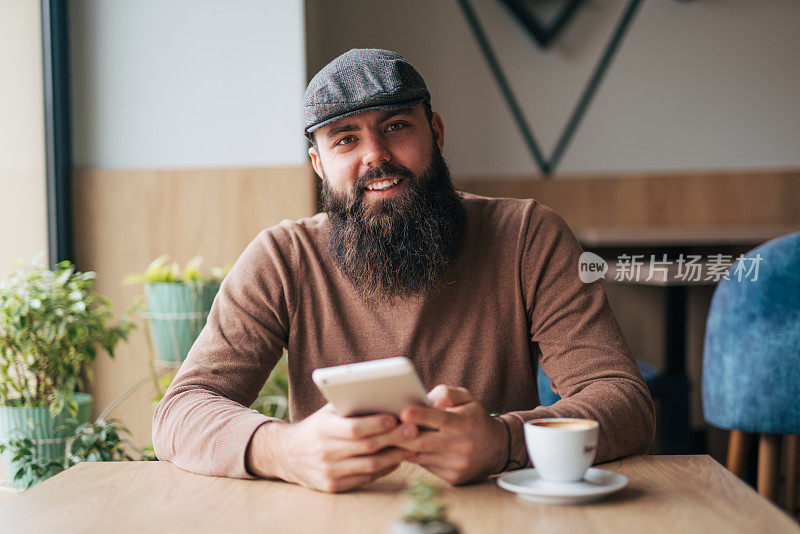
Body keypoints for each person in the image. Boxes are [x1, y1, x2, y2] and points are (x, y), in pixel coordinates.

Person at [152, 48, 655, 494]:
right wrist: (284, 450)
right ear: (319, 164)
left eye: (396, 126)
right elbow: (181, 410)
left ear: (434, 132)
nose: (375, 156)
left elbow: (624, 400)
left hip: (497, 511)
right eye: (345, 140)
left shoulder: (528, 235)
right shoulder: (282, 257)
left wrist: (504, 440)